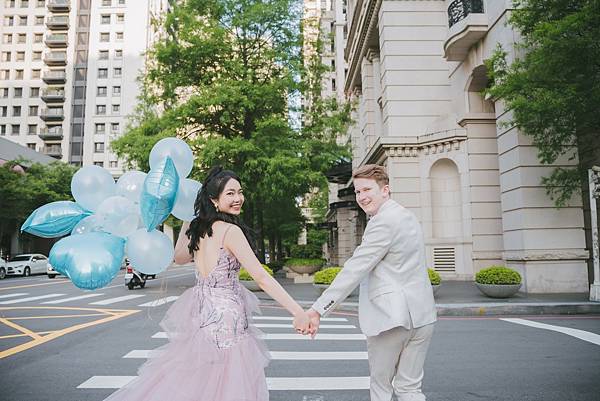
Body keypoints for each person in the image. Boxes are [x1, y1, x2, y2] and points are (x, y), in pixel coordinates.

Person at [105, 166, 312, 401]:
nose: (238, 199)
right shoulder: (230, 231)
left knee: (203, 379)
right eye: (230, 193)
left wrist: (187, 218)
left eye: (239, 192)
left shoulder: (199, 231)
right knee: (229, 383)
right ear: (214, 200)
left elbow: (180, 256)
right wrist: (298, 311)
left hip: (203, 315)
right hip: (226, 319)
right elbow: (262, 277)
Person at [307, 164, 437, 401]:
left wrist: (318, 309)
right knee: (409, 388)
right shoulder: (406, 215)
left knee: (381, 388)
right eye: (357, 192)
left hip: (392, 319)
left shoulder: (383, 222)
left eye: (367, 189)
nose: (362, 197)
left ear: (385, 190)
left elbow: (355, 269)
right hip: (422, 316)